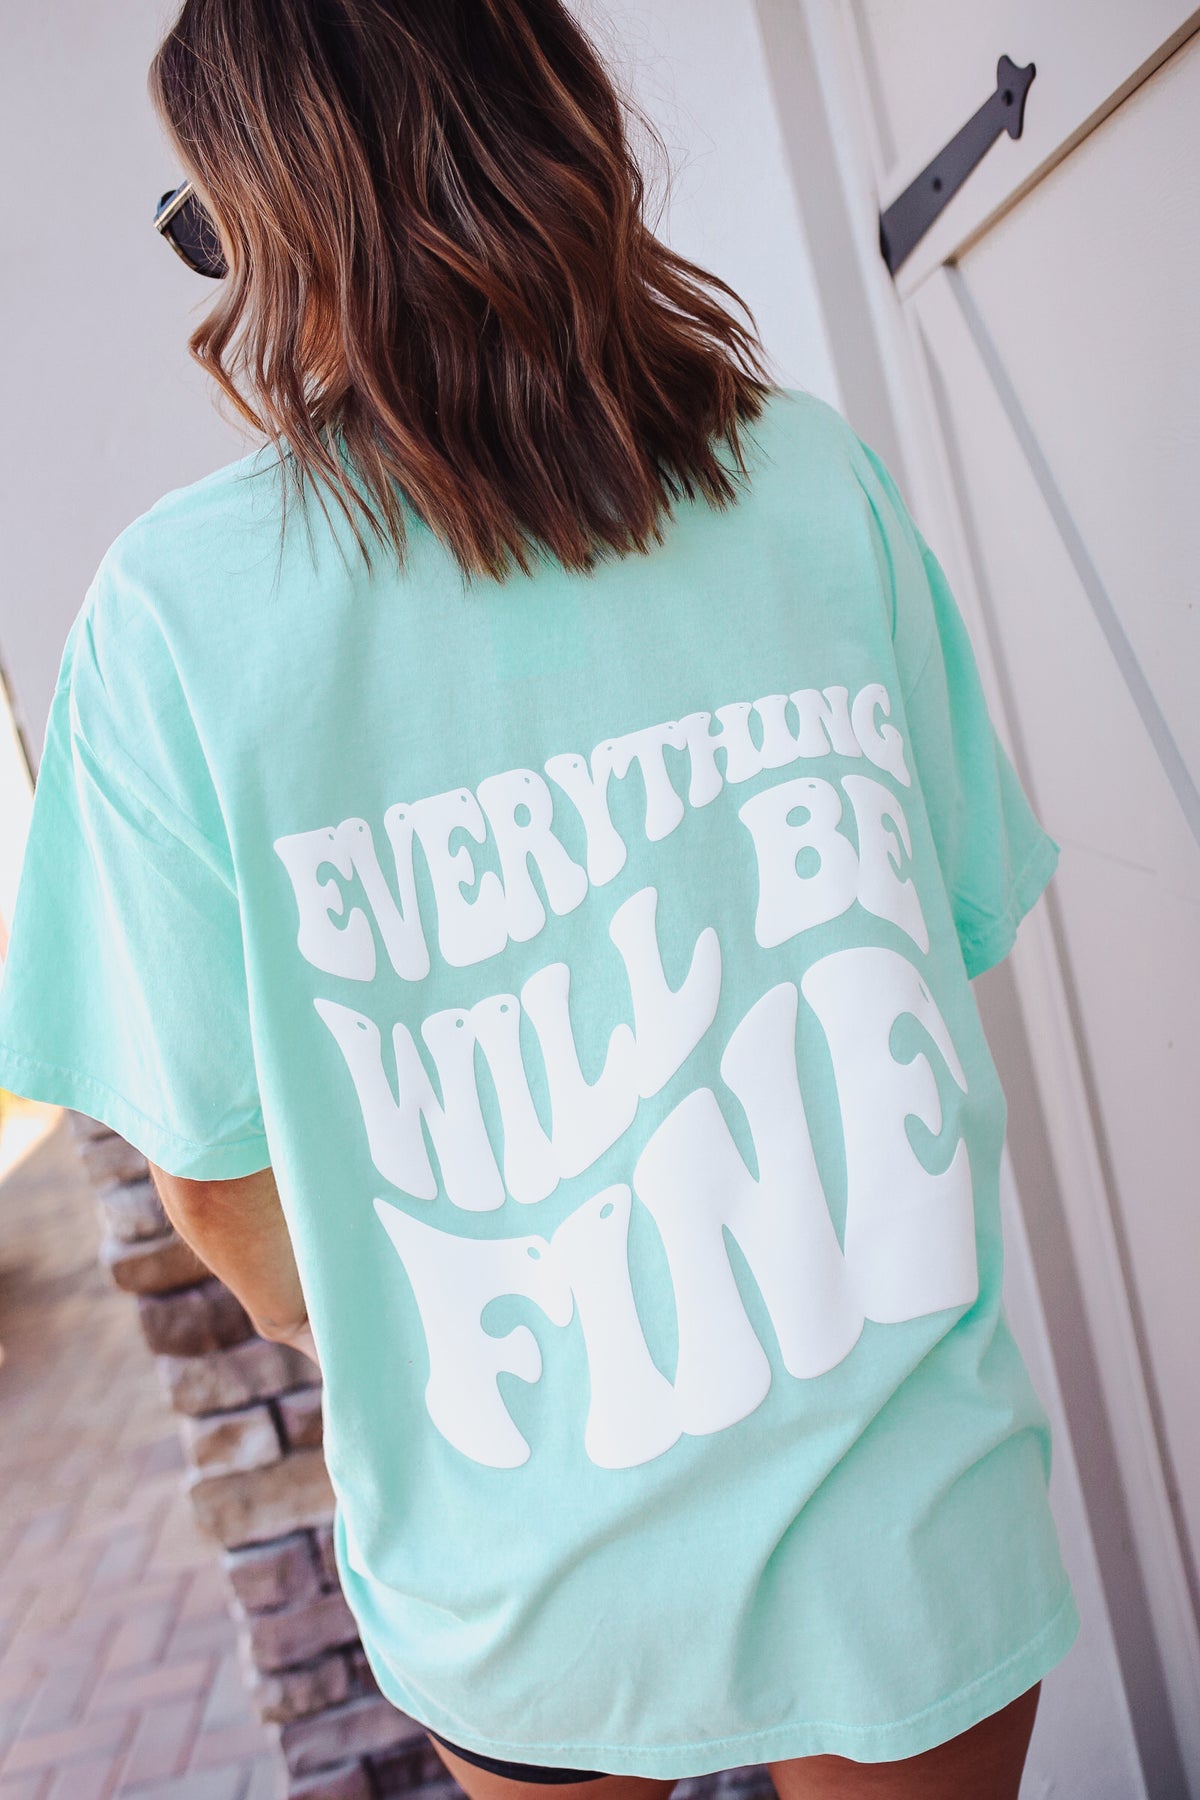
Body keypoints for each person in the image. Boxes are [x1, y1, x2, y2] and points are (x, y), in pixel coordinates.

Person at [0, 3, 1079, 1797]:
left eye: (208, 224)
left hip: (524, 1556)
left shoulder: (171, 622)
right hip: (903, 1501)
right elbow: (941, 931)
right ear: (554, 123)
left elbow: (209, 1172)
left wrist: (383, 1303)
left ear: (282, 221)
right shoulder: (815, 478)